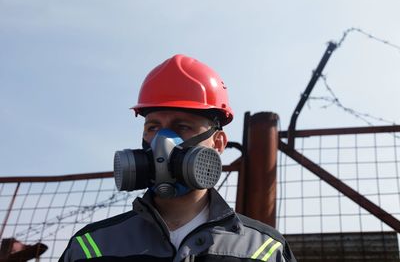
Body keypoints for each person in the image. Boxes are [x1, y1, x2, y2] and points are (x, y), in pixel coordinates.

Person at [60, 54, 296, 262]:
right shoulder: (89, 248)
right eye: (153, 127)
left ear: (218, 143)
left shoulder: (263, 251)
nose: (162, 141)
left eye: (182, 126)